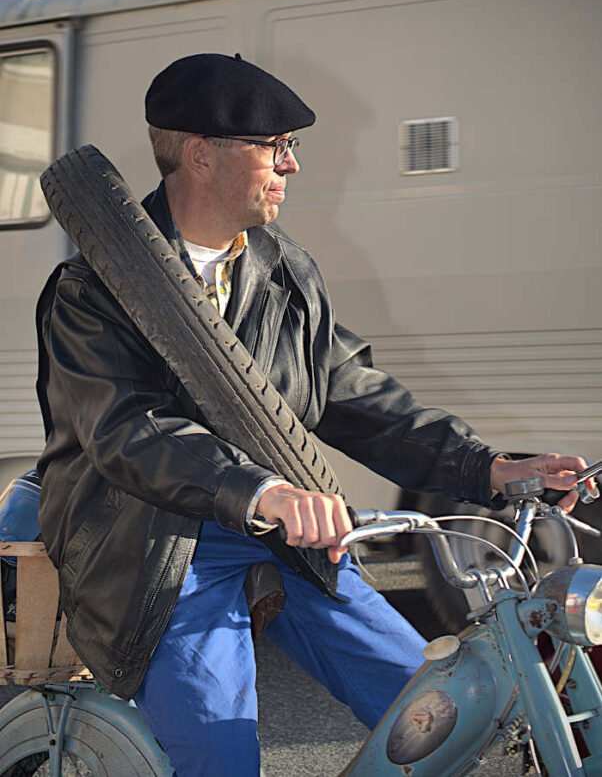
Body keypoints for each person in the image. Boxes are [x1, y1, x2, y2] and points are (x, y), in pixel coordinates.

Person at [35, 53, 586, 777]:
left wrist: (485, 466)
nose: (290, 166)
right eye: (276, 147)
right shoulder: (90, 289)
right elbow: (126, 429)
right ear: (201, 155)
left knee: (435, 711)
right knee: (219, 750)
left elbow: (353, 395)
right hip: (151, 544)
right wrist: (263, 490)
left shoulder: (284, 271)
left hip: (277, 530)